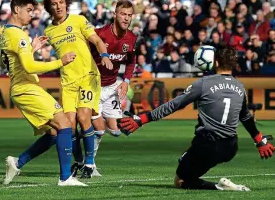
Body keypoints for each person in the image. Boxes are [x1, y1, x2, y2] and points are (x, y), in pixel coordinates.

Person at [117, 46, 275, 191]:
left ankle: (221, 187)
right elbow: (246, 116)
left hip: (207, 145)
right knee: (188, 162)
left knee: (180, 180)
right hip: (231, 147)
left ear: (216, 62)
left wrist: (142, 119)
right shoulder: (240, 87)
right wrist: (259, 140)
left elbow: (174, 105)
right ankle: (194, 164)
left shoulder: (204, 84)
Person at [0, 0, 86, 186]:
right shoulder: (19, 35)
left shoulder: (3, 33)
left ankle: (17, 162)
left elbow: (3, 62)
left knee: (54, 134)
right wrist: (60, 62)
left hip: (20, 87)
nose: (32, 15)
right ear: (16, 9)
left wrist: (31, 48)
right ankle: (65, 178)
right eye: (28, 10)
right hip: (25, 87)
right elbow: (29, 67)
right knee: (64, 125)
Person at [43, 0, 113, 178]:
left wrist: (104, 55)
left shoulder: (79, 20)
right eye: (54, 4)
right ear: (49, 7)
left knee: (84, 118)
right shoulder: (48, 31)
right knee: (69, 126)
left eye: (61, 2)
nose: (59, 6)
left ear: (67, 3)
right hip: (68, 82)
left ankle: (90, 163)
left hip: (88, 76)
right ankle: (80, 161)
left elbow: (97, 40)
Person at [72, 0, 137, 177]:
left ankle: (82, 137)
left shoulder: (131, 38)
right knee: (99, 129)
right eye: (123, 14)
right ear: (115, 14)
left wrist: (126, 81)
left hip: (112, 86)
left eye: (130, 15)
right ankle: (90, 164)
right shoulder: (100, 34)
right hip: (94, 88)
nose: (127, 18)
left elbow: (131, 61)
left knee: (115, 131)